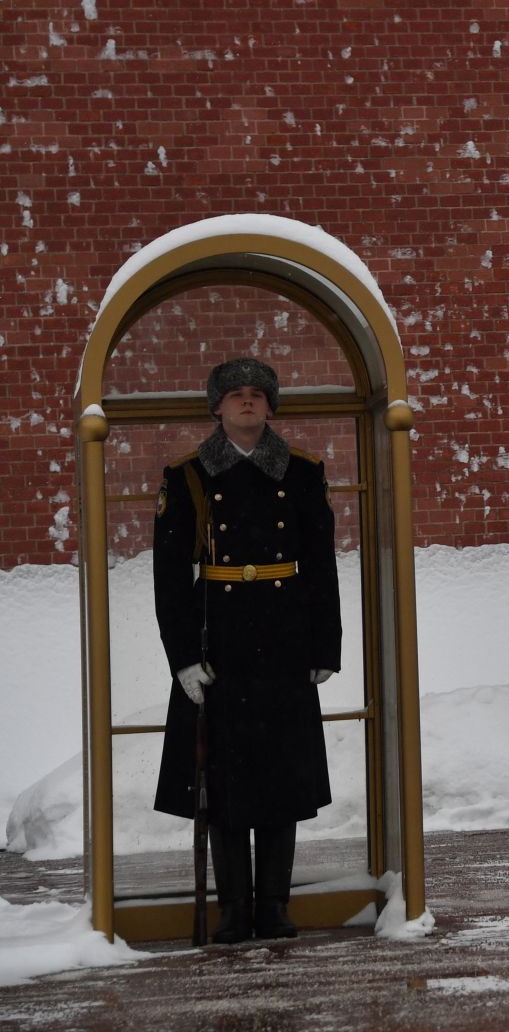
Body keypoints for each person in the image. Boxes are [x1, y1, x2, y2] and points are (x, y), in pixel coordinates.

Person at [152, 357, 341, 944]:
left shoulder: (304, 473)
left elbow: (321, 567)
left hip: (283, 643)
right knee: (223, 782)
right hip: (221, 644)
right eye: (235, 394)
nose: (248, 403)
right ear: (216, 406)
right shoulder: (187, 476)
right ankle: (234, 908)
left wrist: (324, 646)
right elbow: (167, 577)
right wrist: (183, 657)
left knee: (280, 781)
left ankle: (275, 906)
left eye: (258, 394)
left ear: (271, 405)